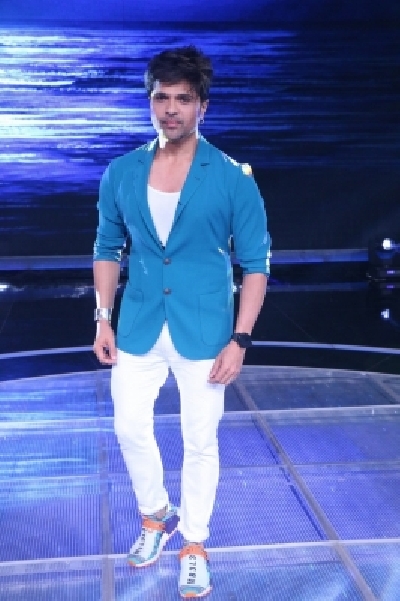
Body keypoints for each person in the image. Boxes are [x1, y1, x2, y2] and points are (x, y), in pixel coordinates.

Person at [93, 45, 271, 599]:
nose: (171, 109)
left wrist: (240, 339)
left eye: (183, 99)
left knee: (200, 440)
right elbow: (107, 248)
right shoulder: (122, 171)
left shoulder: (232, 177)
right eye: (161, 97)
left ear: (202, 107)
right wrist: (103, 319)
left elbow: (256, 264)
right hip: (139, 323)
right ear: (150, 102)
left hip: (206, 330)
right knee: (128, 427)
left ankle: (194, 543)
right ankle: (156, 515)